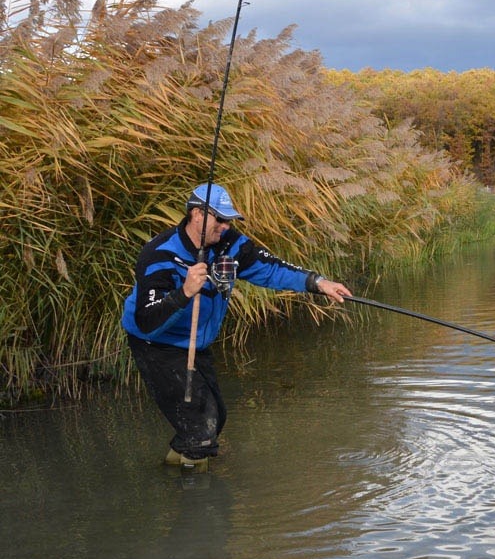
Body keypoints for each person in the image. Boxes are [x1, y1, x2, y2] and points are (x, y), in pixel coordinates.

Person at [121, 183, 352, 468]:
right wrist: (184, 293)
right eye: (218, 219)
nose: (225, 226)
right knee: (201, 432)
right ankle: (196, 502)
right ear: (196, 214)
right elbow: (147, 322)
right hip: (156, 344)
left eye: (228, 219)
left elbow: (271, 269)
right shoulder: (158, 255)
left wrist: (318, 283)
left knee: (215, 417)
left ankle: (170, 471)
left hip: (196, 343)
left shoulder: (232, 245)